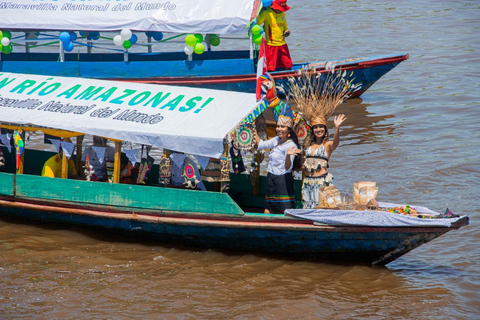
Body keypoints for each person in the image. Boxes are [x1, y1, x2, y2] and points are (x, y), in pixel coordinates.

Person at [255, 111, 301, 213]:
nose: (279, 129)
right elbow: (260, 145)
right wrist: (253, 130)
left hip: (283, 179)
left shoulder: (291, 145)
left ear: (288, 131)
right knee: (268, 207)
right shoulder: (277, 140)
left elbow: (288, 168)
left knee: (284, 209)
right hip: (271, 177)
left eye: (282, 127)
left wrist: (288, 156)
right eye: (278, 126)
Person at [302, 114, 346, 209]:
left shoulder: (327, 145)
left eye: (321, 127)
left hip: (321, 182)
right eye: (316, 127)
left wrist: (337, 128)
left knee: (321, 207)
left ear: (325, 129)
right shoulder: (308, 146)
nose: (318, 130)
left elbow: (336, 143)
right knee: (308, 208)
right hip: (307, 182)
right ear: (312, 130)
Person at [256, 0, 293, 71]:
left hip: (282, 44)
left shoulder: (282, 14)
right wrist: (260, 10)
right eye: (280, 9)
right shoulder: (267, 13)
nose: (281, 11)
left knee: (288, 64)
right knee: (271, 67)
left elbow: (285, 27)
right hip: (271, 45)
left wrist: (286, 32)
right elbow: (258, 22)